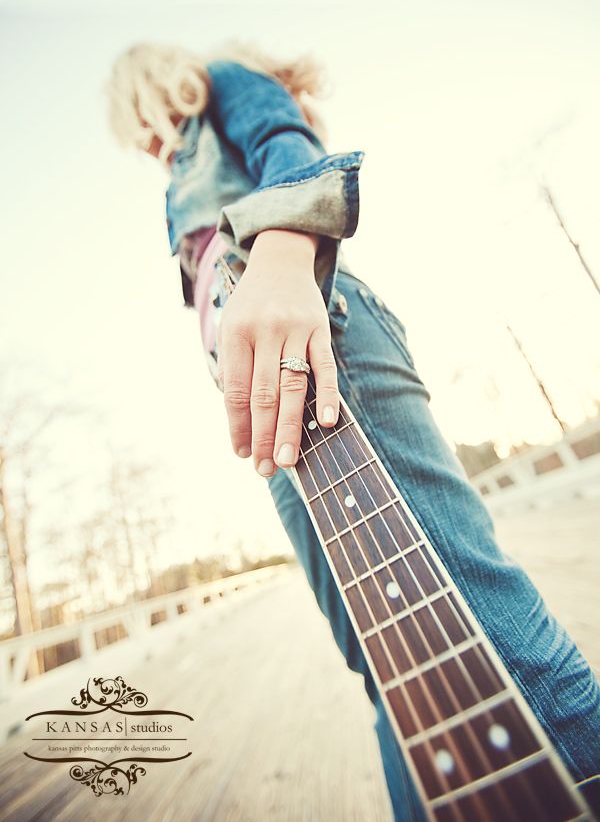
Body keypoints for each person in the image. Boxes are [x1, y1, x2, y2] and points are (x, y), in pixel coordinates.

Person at [105, 41, 600, 820]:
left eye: (134, 121)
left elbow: (292, 150)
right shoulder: (176, 184)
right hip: (265, 396)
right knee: (393, 669)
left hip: (322, 339)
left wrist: (279, 259)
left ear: (146, 92)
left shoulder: (222, 88)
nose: (143, 143)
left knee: (479, 630)